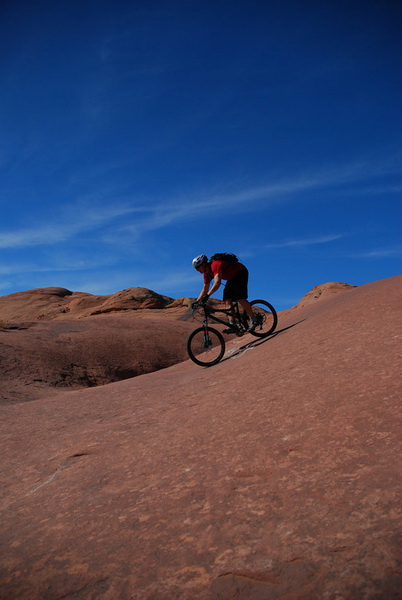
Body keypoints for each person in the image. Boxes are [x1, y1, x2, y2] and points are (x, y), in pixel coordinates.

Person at [192, 253, 258, 333]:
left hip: (241, 273)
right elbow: (204, 289)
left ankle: (254, 319)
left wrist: (208, 295)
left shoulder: (215, 265)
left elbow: (217, 283)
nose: (197, 270)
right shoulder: (206, 274)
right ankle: (232, 324)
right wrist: (197, 301)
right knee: (227, 299)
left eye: (198, 268)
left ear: (204, 264)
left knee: (240, 297)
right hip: (231, 278)